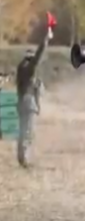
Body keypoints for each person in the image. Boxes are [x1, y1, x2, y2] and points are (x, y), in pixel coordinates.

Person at [16, 38, 49, 167]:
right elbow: (37, 60)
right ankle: (24, 159)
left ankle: (21, 157)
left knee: (23, 131)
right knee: (27, 131)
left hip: (22, 102)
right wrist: (44, 42)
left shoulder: (21, 67)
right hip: (28, 102)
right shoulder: (28, 68)